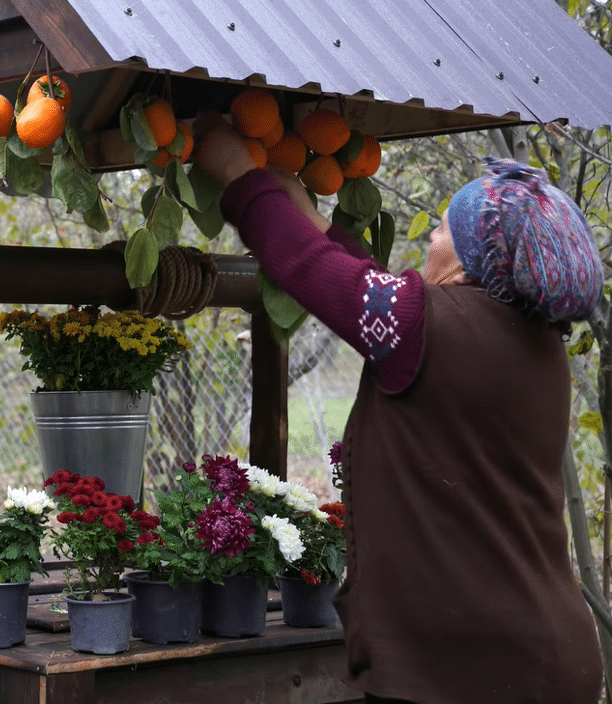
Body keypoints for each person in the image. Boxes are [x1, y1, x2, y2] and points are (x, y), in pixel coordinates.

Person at [193, 113, 604, 704]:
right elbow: (364, 285)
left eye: (440, 232)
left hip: (473, 674)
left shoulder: (425, 327)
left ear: (470, 260)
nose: (428, 243)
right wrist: (303, 210)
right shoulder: (536, 344)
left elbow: (309, 272)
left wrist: (236, 171)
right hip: (541, 657)